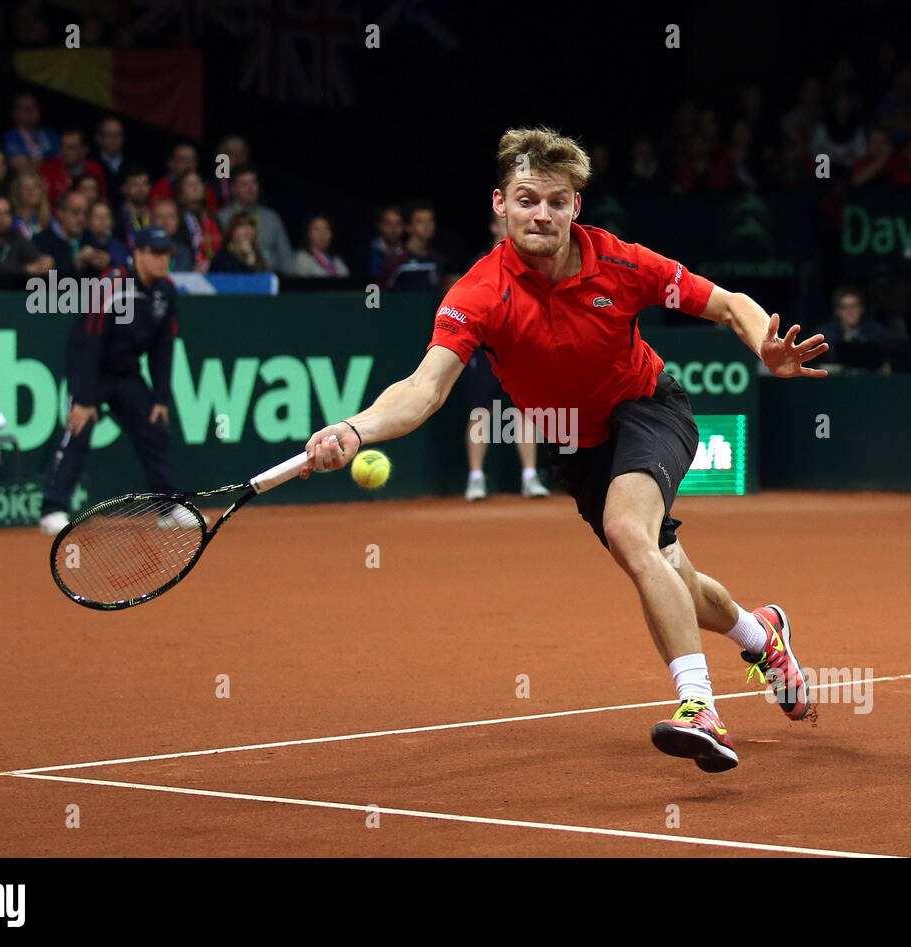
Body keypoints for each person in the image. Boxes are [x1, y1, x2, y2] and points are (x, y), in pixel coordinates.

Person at [296, 127, 826, 772]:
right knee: (674, 576)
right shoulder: (479, 294)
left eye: (555, 200)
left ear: (576, 206)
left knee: (630, 534)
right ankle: (760, 634)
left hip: (648, 406)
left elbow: (728, 303)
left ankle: (700, 708)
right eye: (526, 200)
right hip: (578, 443)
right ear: (500, 204)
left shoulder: (623, 262)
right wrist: (354, 430)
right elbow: (423, 389)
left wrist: (761, 345)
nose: (540, 214)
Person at [38, 226, 184, 535]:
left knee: (153, 429)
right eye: (156, 254)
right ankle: (53, 510)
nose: (163, 260)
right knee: (79, 429)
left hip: (126, 373)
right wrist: (83, 398)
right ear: (139, 254)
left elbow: (163, 347)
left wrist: (160, 397)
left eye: (166, 254)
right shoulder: (112, 283)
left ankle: (168, 508)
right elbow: (89, 340)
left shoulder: (165, 290)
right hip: (90, 367)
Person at [462, 213, 548, 500]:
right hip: (485, 349)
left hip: (521, 349)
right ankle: (476, 478)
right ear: (494, 225)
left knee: (525, 410)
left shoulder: (530, 261)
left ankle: (530, 476)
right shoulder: (479, 263)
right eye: (503, 222)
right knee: (480, 411)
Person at [214, 165, 293, 271]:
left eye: (253, 183)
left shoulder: (272, 218)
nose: (250, 188)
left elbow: (286, 259)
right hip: (231, 276)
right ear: (233, 189)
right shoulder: (222, 217)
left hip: (269, 277)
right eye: (244, 184)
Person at [380, 201, 445, 290]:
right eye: (420, 221)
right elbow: (382, 292)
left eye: (430, 220)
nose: (427, 226)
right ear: (408, 227)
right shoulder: (395, 258)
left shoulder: (437, 258)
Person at [814, 285, 889, 345]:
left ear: (862, 308)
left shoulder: (877, 333)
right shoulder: (824, 336)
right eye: (844, 307)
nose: (850, 312)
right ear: (837, 311)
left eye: (854, 306)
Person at [84, 199, 129, 269]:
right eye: (98, 216)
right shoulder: (80, 243)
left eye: (107, 216)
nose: (103, 220)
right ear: (88, 221)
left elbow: (127, 269)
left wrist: (110, 261)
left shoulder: (120, 246)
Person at [366, 204, 404, 278]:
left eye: (398, 224)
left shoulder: (408, 252)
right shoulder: (366, 252)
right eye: (389, 224)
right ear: (380, 225)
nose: (394, 229)